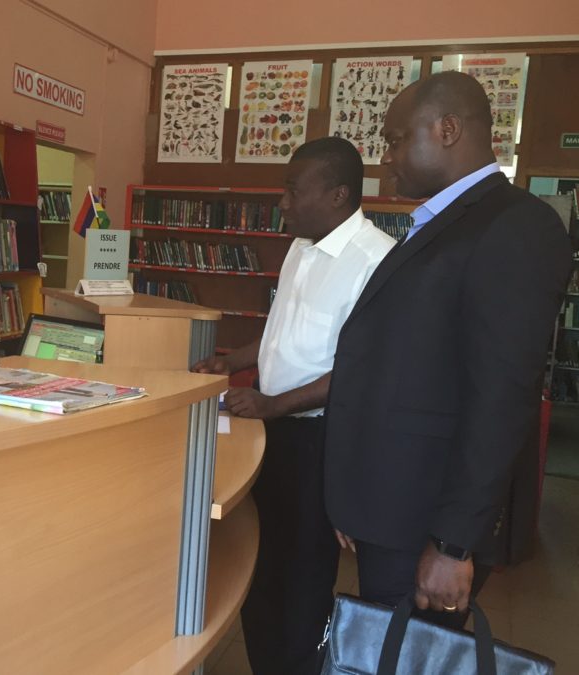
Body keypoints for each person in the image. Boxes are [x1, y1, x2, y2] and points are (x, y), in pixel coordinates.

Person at [324, 71, 572, 628]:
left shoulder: (515, 228)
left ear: (448, 129)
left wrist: (454, 543)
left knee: (407, 657)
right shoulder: (442, 222)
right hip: (391, 505)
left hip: (427, 521)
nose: (386, 158)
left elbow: (502, 397)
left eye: (394, 139)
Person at [193, 137, 395, 675]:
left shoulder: (376, 261)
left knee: (303, 573)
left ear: (338, 194)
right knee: (262, 559)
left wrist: (274, 403)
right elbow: (284, 331)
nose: (281, 202)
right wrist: (231, 361)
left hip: (318, 439)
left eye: (292, 190)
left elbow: (360, 370)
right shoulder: (303, 244)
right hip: (273, 424)